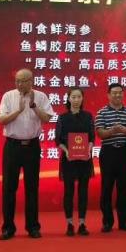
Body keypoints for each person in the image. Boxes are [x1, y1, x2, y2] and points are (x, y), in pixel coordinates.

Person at [0, 68, 53, 240]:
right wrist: (18, 110)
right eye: (17, 81)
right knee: (9, 188)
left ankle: (33, 227)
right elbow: (1, 120)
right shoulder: (8, 96)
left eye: (23, 81)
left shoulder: (40, 96)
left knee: (32, 187)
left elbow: (47, 119)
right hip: (12, 147)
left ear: (31, 81)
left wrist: (33, 106)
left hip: (32, 147)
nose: (19, 84)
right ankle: (8, 228)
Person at [95, 83, 126, 233]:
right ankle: (107, 222)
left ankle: (124, 221)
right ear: (108, 95)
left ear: (123, 94)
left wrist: (124, 130)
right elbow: (100, 133)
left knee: (123, 188)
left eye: (120, 93)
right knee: (106, 187)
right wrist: (113, 130)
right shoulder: (101, 112)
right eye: (114, 93)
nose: (117, 95)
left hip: (124, 152)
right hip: (108, 152)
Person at [56, 87, 95, 236]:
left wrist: (88, 149)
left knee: (83, 191)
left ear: (82, 99)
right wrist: (67, 151)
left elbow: (91, 137)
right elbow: (58, 140)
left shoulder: (88, 116)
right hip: (69, 159)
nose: (76, 99)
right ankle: (70, 223)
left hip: (84, 159)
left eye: (79, 97)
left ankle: (82, 223)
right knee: (69, 191)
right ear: (68, 99)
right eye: (73, 97)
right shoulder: (62, 118)